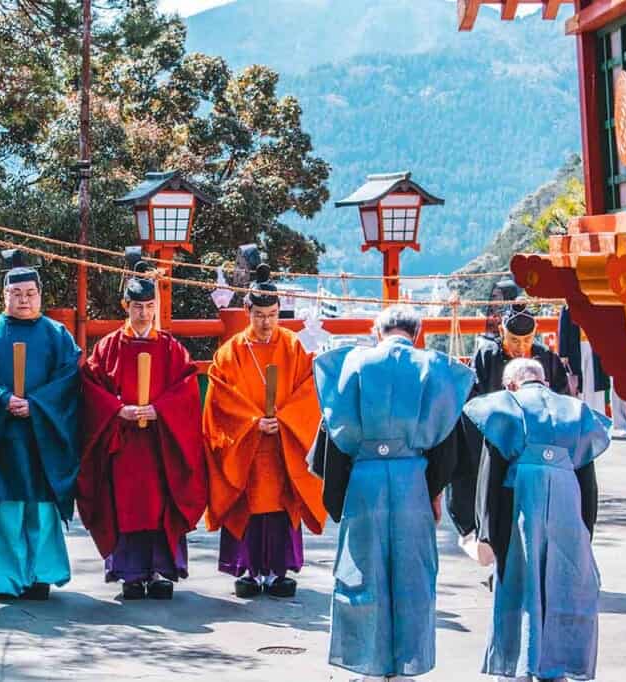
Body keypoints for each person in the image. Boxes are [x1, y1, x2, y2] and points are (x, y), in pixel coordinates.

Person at [311, 304, 474, 682]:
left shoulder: (352, 364)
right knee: (412, 575)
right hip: (411, 480)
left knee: (362, 571)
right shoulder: (432, 367)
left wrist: (337, 494)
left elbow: (333, 433)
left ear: (376, 331)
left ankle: (365, 665)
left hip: (364, 480)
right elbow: (447, 444)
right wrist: (433, 492)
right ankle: (406, 666)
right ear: (417, 334)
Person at [464, 358, 610, 682]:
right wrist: (586, 528)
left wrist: (487, 533)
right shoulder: (575, 412)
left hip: (521, 506)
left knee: (520, 582)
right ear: (543, 381)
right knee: (564, 584)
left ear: (511, 385)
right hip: (567, 505)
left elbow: (490, 476)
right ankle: (556, 667)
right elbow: (588, 480)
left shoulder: (505, 409)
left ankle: (518, 665)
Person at [0, 250, 80, 600]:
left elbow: (68, 380)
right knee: (5, 509)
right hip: (2, 434)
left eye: (30, 294)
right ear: (4, 295)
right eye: (16, 294)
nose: (24, 300)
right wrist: (2, 400)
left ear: (40, 296)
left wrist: (37, 405)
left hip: (43, 435)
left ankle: (41, 575)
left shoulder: (57, 335)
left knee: (41, 508)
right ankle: (1, 579)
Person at [78, 263, 206, 600]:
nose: (144, 313)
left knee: (161, 502)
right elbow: (92, 388)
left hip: (160, 444)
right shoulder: (107, 348)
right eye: (137, 307)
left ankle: (163, 572)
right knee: (125, 505)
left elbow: (187, 389)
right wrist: (118, 409)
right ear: (125, 307)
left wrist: (161, 409)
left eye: (150, 307)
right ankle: (130, 574)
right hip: (123, 444)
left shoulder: (170, 347)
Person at [203, 266, 327, 598]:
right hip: (246, 446)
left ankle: (279, 571)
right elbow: (221, 400)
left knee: (281, 506)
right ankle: (247, 570)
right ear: (247, 313)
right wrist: (252, 422)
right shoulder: (230, 353)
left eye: (272, 315)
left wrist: (285, 419)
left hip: (284, 444)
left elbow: (308, 391)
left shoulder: (292, 346)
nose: (266, 323)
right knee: (247, 502)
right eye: (259, 315)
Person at [448, 304, 570, 543]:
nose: (521, 347)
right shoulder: (488, 357)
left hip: (535, 445)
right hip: (496, 440)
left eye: (527, 340)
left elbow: (561, 404)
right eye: (514, 340)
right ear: (502, 332)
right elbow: (474, 405)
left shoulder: (546, 358)